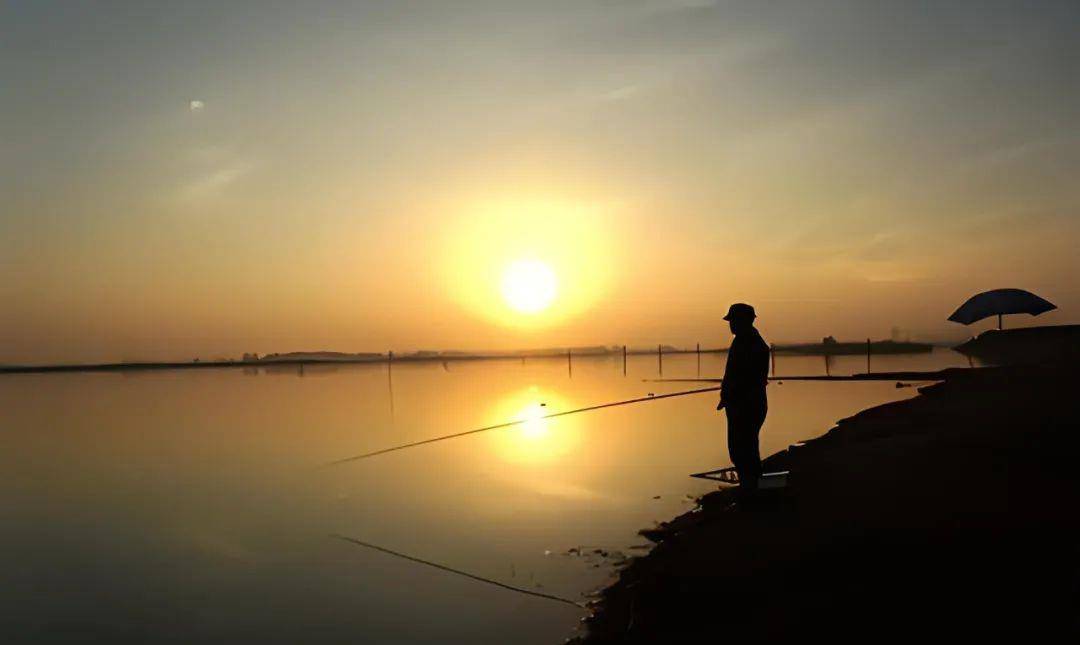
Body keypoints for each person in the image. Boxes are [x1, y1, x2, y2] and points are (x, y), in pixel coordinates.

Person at [716, 303, 770, 494]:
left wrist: (730, 394)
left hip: (747, 406)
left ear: (745, 321)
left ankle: (751, 491)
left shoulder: (752, 344)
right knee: (744, 449)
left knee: (743, 450)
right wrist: (726, 395)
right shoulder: (744, 341)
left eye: (733, 321)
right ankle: (752, 488)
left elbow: (746, 378)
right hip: (742, 404)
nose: (730, 325)